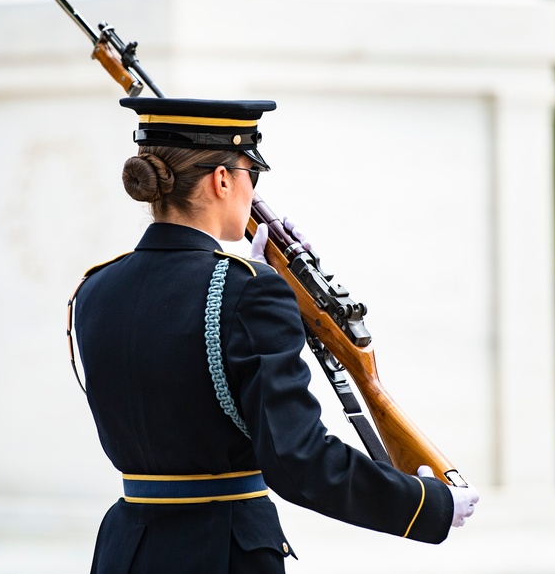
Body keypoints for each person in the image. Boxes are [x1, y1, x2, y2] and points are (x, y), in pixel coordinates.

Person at [71, 97, 479, 573]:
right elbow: (298, 459)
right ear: (221, 180)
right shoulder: (247, 290)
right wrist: (424, 504)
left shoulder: (95, 288)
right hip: (222, 554)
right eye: (251, 173)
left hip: (125, 552)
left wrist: (262, 290)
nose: (253, 191)